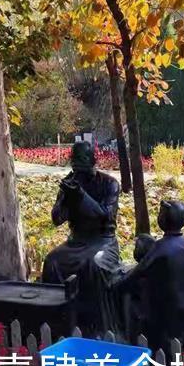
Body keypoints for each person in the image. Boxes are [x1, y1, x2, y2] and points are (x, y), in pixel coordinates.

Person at [42, 140, 121, 334]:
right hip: (76, 241)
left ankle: (99, 325)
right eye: (77, 169)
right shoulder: (71, 183)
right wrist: (67, 198)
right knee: (52, 261)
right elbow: (56, 219)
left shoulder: (109, 184)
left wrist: (81, 195)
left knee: (95, 265)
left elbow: (105, 215)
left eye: (84, 169)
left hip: (103, 242)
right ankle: (58, 321)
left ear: (93, 163)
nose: (80, 175)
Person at [118, 199, 184, 356]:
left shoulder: (160, 247)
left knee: (170, 340)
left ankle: (170, 365)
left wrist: (120, 283)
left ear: (164, 219)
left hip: (173, 306)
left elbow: (139, 271)